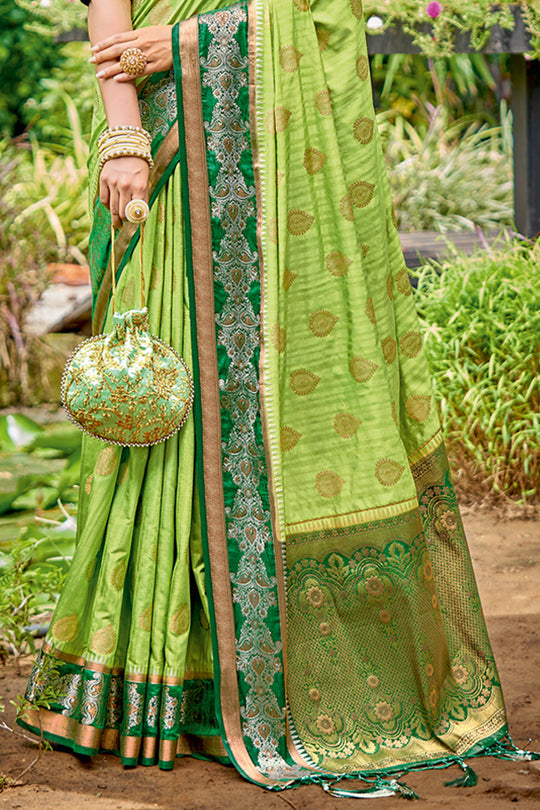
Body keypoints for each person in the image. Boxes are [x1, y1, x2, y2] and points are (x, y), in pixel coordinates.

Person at [19, 0, 531, 794]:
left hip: (266, 151)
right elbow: (107, 8)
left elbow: (322, 14)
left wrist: (196, 42)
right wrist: (123, 138)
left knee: (263, 412)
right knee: (162, 408)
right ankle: (149, 681)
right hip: (164, 134)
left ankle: (284, 684)